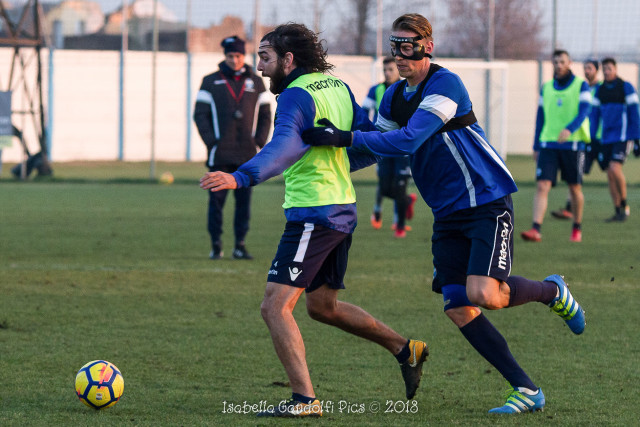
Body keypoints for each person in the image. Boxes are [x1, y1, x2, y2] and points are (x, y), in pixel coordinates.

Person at [302, 13, 585, 415]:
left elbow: (407, 140)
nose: (399, 54)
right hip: (447, 211)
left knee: (484, 294)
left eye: (408, 45)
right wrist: (323, 159)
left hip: (486, 199)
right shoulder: (392, 96)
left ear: (427, 46)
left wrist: (343, 135)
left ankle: (553, 291)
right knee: (458, 304)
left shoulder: (444, 84)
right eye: (394, 46)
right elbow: (375, 147)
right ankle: (526, 389)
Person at [200, 23, 428, 418]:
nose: (259, 67)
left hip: (315, 214)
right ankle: (406, 349)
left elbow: (283, 146)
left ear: (289, 60)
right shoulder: (335, 86)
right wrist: (340, 162)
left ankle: (305, 400)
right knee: (322, 306)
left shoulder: (294, 96)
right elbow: (368, 139)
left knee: (274, 307)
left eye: (266, 58)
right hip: (341, 209)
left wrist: (240, 176)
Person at [194, 35, 272, 260]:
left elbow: (266, 114)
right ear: (224, 56)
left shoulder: (256, 82)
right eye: (230, 56)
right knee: (216, 203)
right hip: (221, 154)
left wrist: (259, 142)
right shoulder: (210, 81)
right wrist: (212, 142)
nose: (234, 60)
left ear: (243, 55)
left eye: (238, 55)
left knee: (243, 204)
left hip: (247, 155)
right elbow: (200, 115)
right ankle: (216, 245)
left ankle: (240, 245)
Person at [521, 50, 591, 243]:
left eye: (562, 62)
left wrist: (570, 129)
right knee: (542, 185)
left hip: (573, 145)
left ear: (569, 63)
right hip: (548, 144)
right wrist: (536, 145)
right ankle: (536, 229)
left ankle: (576, 227)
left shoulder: (581, 85)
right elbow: (540, 117)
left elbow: (585, 111)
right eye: (555, 62)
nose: (558, 65)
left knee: (574, 187)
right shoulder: (547, 88)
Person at [363, 56, 417, 237]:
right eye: (385, 70)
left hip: (402, 147)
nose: (387, 73)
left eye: (391, 70)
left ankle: (400, 226)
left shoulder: (409, 89)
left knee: (400, 187)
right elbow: (363, 115)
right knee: (385, 187)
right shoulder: (376, 90)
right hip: (383, 145)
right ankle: (407, 201)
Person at [551, 59, 602, 220]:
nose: (587, 70)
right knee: (575, 177)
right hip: (584, 139)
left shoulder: (601, 90)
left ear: (596, 70)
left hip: (599, 138)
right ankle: (569, 209)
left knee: (612, 170)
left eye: (590, 68)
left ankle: (621, 208)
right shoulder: (580, 87)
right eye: (585, 68)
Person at [590, 57, 640, 222]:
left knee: (614, 168)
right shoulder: (600, 90)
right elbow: (595, 116)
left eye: (609, 69)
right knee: (610, 174)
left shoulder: (626, 87)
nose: (606, 72)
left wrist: (637, 137)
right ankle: (618, 210)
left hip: (623, 136)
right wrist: (592, 139)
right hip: (606, 138)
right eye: (604, 69)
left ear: (616, 69)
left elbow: (635, 113)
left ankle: (625, 205)